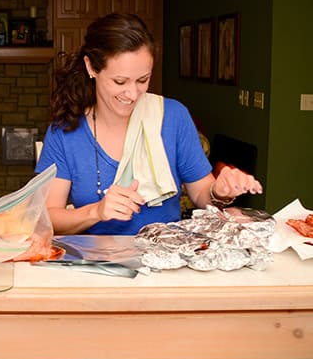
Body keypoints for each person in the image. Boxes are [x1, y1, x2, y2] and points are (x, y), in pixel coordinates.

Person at [35, 13, 262, 235]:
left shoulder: (173, 117)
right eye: (120, 81)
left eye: (143, 80)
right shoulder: (65, 132)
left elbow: (202, 193)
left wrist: (219, 192)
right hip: (96, 265)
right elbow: (47, 217)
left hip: (165, 259)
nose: (133, 94)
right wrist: (96, 211)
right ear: (91, 68)